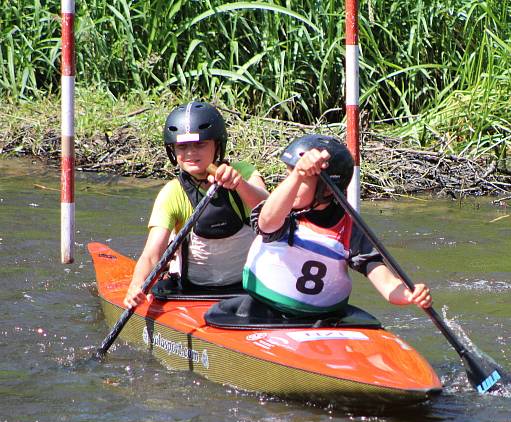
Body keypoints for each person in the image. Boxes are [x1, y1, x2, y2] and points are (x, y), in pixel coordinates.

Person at [242, 134, 432, 316]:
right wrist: (299, 174)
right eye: (288, 176)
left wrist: (408, 295)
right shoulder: (283, 212)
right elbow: (266, 222)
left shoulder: (350, 227)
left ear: (325, 190)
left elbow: (385, 281)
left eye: (301, 180)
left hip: (326, 317)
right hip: (265, 309)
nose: (290, 184)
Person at [124, 101, 267, 308]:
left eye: (200, 144)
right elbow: (153, 253)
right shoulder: (172, 193)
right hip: (192, 292)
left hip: (246, 290)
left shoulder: (243, 173)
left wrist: (239, 185)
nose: (191, 152)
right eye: (182, 146)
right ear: (173, 151)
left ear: (217, 145)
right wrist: (137, 286)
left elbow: (272, 213)